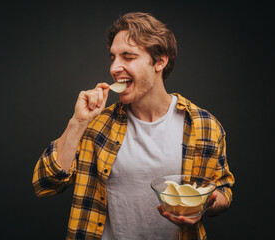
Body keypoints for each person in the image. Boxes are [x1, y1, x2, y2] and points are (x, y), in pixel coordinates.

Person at [32, 12, 234, 240]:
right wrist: (77, 122)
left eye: (128, 57)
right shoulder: (96, 126)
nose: (114, 68)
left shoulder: (204, 125)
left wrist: (204, 204)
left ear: (160, 61)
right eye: (113, 58)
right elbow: (45, 183)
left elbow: (223, 190)